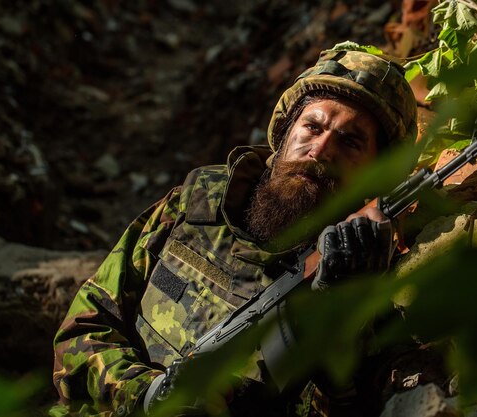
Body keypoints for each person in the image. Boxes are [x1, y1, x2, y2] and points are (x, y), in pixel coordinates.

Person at [50, 45, 417, 417]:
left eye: (351, 142)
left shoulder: (368, 279)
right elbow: (83, 330)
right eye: (313, 126)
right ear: (287, 131)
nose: (321, 151)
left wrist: (343, 321)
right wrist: (145, 395)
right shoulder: (195, 204)